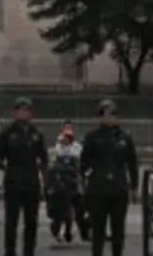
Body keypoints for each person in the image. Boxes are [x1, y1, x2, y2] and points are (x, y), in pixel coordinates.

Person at [79, 99, 139, 256]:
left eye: (112, 114)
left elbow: (132, 162)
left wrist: (134, 186)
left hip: (118, 188)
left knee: (118, 229)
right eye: (105, 114)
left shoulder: (125, 137)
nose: (109, 117)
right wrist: (84, 184)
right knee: (98, 229)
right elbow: (83, 164)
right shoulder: (92, 137)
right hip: (98, 188)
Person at [0, 97, 50, 256]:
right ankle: (10, 251)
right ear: (15, 112)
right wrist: (8, 169)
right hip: (13, 181)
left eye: (26, 110)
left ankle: (29, 251)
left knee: (31, 222)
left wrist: (46, 182)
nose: (23, 113)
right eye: (20, 110)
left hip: (31, 181)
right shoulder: (7, 133)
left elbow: (44, 159)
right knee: (11, 221)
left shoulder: (36, 134)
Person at [46, 122, 86, 244]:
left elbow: (79, 166)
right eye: (64, 138)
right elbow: (52, 167)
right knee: (60, 210)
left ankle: (83, 232)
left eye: (68, 138)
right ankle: (58, 230)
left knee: (79, 209)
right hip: (60, 185)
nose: (66, 140)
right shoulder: (56, 149)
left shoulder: (77, 148)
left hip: (73, 184)